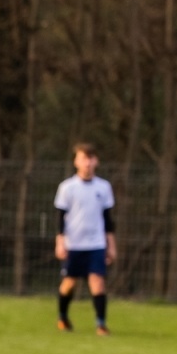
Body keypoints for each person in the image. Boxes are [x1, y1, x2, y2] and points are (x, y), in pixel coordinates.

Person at [54, 143, 117, 335]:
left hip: (96, 243)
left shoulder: (104, 187)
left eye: (90, 159)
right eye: (83, 158)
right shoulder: (67, 188)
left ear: (96, 161)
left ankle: (101, 324)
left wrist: (111, 245)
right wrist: (60, 242)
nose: (87, 163)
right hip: (74, 244)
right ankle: (63, 318)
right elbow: (59, 218)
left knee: (97, 282)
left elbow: (107, 219)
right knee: (69, 283)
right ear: (76, 161)